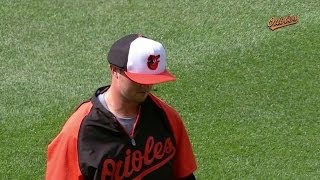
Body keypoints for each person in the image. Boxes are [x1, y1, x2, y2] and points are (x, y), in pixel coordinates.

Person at [45, 34, 197, 180]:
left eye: (152, 79)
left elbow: (184, 176)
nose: (146, 86)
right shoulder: (79, 131)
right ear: (114, 70)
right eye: (138, 79)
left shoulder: (166, 116)